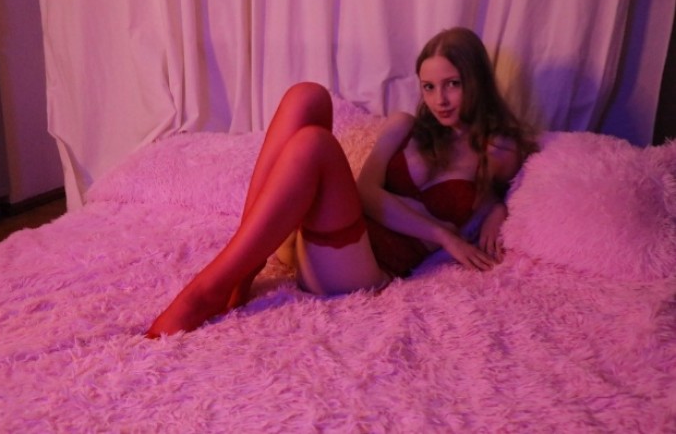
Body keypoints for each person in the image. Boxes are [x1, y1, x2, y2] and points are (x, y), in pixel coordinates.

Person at [146, 27, 537, 338]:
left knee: (314, 144)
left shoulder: (499, 151)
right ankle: (244, 273)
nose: (440, 101)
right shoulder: (405, 127)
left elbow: (507, 195)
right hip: (315, 238)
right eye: (429, 87)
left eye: (453, 84)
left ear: (477, 81)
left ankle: (206, 291)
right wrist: (443, 235)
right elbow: (366, 193)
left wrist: (496, 210)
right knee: (307, 96)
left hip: (361, 267)